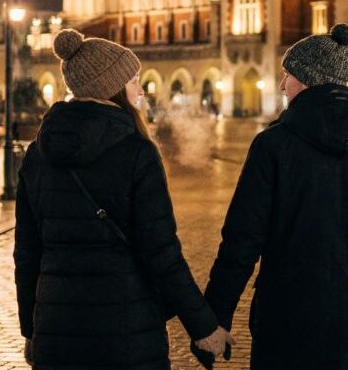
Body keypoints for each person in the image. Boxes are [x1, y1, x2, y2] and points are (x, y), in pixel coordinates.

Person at [205, 24, 348, 369]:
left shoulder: (273, 146)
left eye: (287, 75)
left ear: (305, 78)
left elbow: (240, 243)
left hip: (287, 324)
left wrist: (214, 319)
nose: (281, 85)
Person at [14, 29, 232, 370]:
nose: (140, 90)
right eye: (132, 81)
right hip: (126, 329)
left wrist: (31, 330)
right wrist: (203, 326)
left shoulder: (36, 155)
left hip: (56, 331)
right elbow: (161, 252)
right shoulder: (136, 153)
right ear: (110, 88)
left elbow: (27, 256)